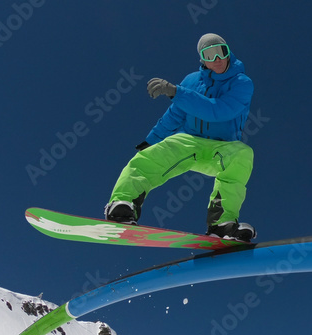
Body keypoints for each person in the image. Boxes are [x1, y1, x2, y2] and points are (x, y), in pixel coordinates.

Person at [104, 33, 256, 242]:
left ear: (228, 51)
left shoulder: (242, 83)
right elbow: (175, 115)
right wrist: (152, 140)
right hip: (189, 141)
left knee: (243, 154)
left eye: (220, 52)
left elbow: (219, 111)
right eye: (208, 55)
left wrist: (178, 92)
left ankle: (222, 223)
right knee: (154, 155)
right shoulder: (191, 81)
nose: (217, 59)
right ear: (202, 60)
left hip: (221, 148)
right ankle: (123, 203)